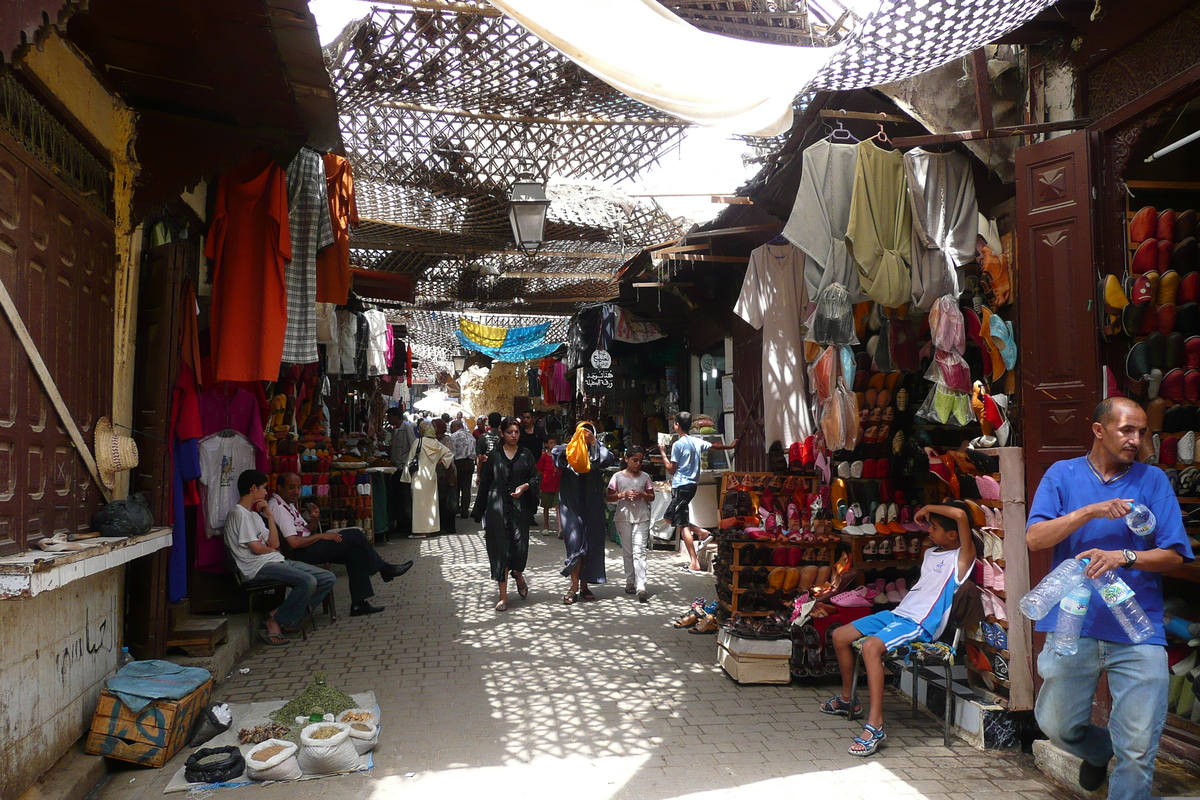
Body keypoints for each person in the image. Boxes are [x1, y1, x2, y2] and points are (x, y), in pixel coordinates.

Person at [1025, 396, 1192, 798]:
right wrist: (1089, 512)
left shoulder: (1153, 482)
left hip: (1138, 629)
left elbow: (1174, 555)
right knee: (1057, 726)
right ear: (1099, 430)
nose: (1136, 439)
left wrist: (1126, 556)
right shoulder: (1061, 475)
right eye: (1127, 430)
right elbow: (1035, 539)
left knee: (1138, 749)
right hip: (1072, 624)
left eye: (1142, 432)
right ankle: (1099, 752)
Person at [823, 502, 974, 756]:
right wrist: (929, 519)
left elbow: (959, 515)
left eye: (934, 527)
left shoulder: (961, 559)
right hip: (896, 615)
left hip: (918, 624)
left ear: (953, 535)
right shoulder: (931, 553)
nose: (928, 530)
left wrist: (926, 507)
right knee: (840, 635)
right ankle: (848, 700)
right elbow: (939, 533)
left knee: (871, 648)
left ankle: (876, 725)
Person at [268, 472, 412, 616]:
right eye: (291, 487)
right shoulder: (278, 507)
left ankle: (359, 604)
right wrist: (321, 536)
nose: (296, 492)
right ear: (280, 488)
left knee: (355, 552)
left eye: (298, 488)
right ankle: (385, 569)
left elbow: (305, 531)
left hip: (307, 546)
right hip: (299, 553)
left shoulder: (289, 504)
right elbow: (294, 543)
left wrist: (315, 519)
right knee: (356, 535)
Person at [224, 469, 335, 646]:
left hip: (274, 561)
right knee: (307, 581)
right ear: (253, 488)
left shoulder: (253, 515)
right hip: (256, 567)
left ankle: (281, 614)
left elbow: (274, 543)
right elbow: (256, 548)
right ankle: (276, 621)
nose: (266, 492)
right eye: (263, 488)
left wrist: (269, 515)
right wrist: (270, 550)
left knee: (327, 578)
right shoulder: (238, 514)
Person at [472, 416, 540, 612]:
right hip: (497, 508)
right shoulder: (494, 456)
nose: (514, 435)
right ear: (502, 433)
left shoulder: (526, 454)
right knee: (500, 551)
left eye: (517, 432)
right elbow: (485, 483)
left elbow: (535, 478)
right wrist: (479, 511)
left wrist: (525, 487)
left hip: (520, 509)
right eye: (510, 432)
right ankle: (503, 597)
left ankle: (518, 574)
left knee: (520, 549)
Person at [657, 411, 737, 573]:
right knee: (669, 518)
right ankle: (701, 532)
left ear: (677, 425)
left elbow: (671, 469)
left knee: (681, 524)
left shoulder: (678, 445)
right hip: (692, 485)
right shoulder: (696, 441)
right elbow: (715, 446)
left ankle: (694, 562)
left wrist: (663, 452)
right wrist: (730, 446)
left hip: (681, 486)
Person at [554, 422, 615, 604]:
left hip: (592, 504)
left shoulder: (597, 450)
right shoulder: (566, 450)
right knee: (574, 545)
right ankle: (573, 587)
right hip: (570, 505)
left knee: (590, 544)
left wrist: (593, 442)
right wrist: (575, 444)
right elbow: (557, 457)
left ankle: (584, 586)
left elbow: (608, 459)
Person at [606, 446, 655, 602]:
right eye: (635, 460)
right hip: (623, 517)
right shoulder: (617, 477)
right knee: (627, 551)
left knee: (640, 550)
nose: (638, 464)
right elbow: (609, 496)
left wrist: (642, 494)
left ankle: (641, 585)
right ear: (626, 459)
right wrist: (623, 495)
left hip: (642, 517)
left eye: (640, 461)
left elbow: (652, 497)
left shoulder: (645, 477)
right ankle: (630, 581)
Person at [401, 421, 455, 538]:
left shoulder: (418, 442)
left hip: (419, 477)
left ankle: (420, 531)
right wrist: (437, 463)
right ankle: (431, 529)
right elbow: (449, 454)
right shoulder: (436, 444)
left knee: (419, 504)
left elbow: (410, 460)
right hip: (431, 477)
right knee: (431, 504)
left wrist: (406, 477)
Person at [387, 406, 417, 537]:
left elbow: (413, 446)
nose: (388, 419)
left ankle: (407, 524)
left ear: (395, 416)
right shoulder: (395, 430)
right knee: (398, 497)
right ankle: (400, 523)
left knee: (404, 497)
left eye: (389, 417)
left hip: (403, 469)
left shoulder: (407, 429)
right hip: (396, 467)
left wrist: (407, 462)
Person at [432, 419, 458, 533]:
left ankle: (449, 527)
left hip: (447, 473)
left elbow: (449, 456)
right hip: (437, 473)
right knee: (440, 500)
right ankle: (441, 525)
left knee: (447, 499)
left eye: (434, 426)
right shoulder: (432, 440)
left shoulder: (447, 440)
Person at [449, 419, 476, 518]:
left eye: (452, 426)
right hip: (469, 462)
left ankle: (455, 507)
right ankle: (465, 511)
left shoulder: (453, 437)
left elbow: (451, 452)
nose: (451, 429)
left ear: (457, 426)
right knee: (466, 488)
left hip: (458, 463)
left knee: (456, 487)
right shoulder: (471, 436)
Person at [537, 434, 561, 536]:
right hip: (546, 485)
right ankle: (546, 526)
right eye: (551, 443)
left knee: (558, 507)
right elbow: (539, 470)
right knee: (546, 506)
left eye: (555, 442)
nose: (553, 445)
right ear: (546, 444)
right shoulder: (544, 457)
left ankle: (560, 528)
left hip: (558, 485)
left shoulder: (560, 456)